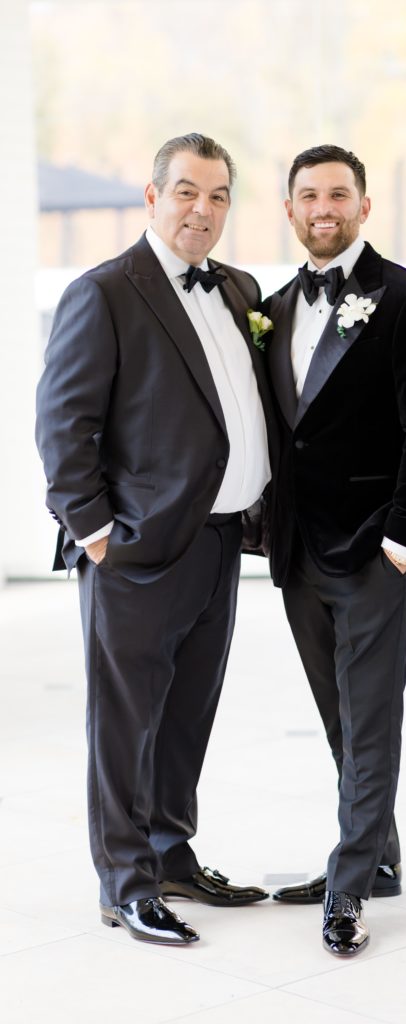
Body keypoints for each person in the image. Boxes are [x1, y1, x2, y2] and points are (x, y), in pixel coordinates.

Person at [35, 133, 276, 946]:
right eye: (185, 192)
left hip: (217, 543)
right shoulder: (104, 292)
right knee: (125, 721)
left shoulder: (240, 287)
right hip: (135, 552)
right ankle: (125, 881)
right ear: (152, 196)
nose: (200, 210)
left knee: (186, 715)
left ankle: (173, 855)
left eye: (215, 197)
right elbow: (63, 426)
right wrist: (98, 534)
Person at [264, 145, 406, 956]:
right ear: (290, 209)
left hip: (376, 547)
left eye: (338, 193)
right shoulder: (270, 307)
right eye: (308, 195)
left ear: (364, 206)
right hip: (298, 550)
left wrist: (405, 538)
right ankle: (378, 854)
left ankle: (347, 887)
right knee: (338, 716)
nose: (323, 207)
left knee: (370, 719)